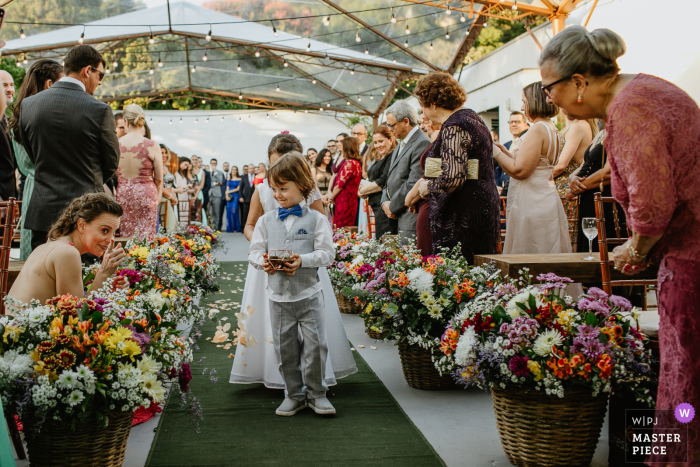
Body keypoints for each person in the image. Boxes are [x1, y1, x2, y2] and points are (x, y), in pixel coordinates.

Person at [540, 27, 700, 466]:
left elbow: (652, 202)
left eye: (549, 87)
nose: (548, 97)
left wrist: (635, 248)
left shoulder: (629, 109)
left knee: (684, 377)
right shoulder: (648, 88)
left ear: (578, 82)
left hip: (691, 258)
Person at [230, 132, 356, 392]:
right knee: (273, 324)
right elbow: (250, 225)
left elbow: (322, 231)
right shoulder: (263, 190)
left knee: (311, 329)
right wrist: (263, 246)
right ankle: (270, 371)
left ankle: (313, 383)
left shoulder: (308, 192)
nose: (279, 175)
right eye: (274, 165)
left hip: (303, 267)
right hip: (267, 266)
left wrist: (302, 256)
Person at [248, 152, 336, 416]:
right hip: (278, 298)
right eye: (274, 189)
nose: (277, 194)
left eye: (283, 188)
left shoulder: (317, 219)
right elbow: (253, 251)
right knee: (284, 347)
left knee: (316, 346)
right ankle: (294, 394)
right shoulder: (265, 221)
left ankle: (317, 394)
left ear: (302, 185)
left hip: (309, 294)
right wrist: (261, 261)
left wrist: (304, 260)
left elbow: (328, 253)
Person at [19, 44, 119, 251]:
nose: (100, 82)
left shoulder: (28, 106)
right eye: (100, 74)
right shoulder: (99, 110)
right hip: (85, 216)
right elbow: (111, 163)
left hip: (43, 211)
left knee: (44, 278)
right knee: (83, 280)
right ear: (87, 70)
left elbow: (33, 155)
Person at [406, 72, 500, 262]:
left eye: (422, 107)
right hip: (481, 206)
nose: (423, 113)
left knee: (458, 275)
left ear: (432, 102)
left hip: (462, 215)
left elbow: (454, 176)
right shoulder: (473, 118)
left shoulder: (454, 126)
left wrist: (427, 187)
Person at [7, 193, 128, 309]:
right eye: (105, 230)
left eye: (114, 232)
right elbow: (77, 317)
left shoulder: (51, 245)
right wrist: (104, 274)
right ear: (81, 225)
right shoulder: (67, 253)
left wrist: (105, 287)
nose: (110, 240)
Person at [494, 81, 571, 255]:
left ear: (535, 101)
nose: (522, 107)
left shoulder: (537, 129)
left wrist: (494, 153)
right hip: (546, 198)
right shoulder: (552, 128)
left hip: (532, 202)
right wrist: (506, 153)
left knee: (532, 252)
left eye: (524, 102)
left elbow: (520, 171)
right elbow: (535, 163)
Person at [9, 59, 64, 261]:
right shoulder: (48, 116)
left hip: (30, 190)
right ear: (50, 84)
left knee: (33, 255)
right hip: (50, 189)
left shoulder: (19, 113)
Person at [382, 100, 431, 245]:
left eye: (392, 125)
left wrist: (392, 206)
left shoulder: (422, 142)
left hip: (409, 214)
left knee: (408, 261)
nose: (389, 129)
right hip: (395, 211)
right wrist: (384, 201)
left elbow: (412, 182)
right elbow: (389, 177)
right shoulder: (400, 144)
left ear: (405, 121)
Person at [116, 104, 162, 239]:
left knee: (127, 235)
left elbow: (112, 172)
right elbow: (159, 179)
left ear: (126, 121)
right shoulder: (152, 145)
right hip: (146, 194)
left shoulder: (116, 144)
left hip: (124, 195)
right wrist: (157, 197)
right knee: (147, 236)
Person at [555, 118, 597, 247]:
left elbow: (561, 165)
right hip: (570, 185)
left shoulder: (578, 126)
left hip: (566, 188)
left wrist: (537, 180)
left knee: (567, 238)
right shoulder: (581, 125)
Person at [359, 125, 398, 241]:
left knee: (385, 242)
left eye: (381, 141)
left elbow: (383, 180)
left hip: (385, 206)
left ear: (390, 140)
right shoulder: (382, 157)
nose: (377, 145)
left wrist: (363, 190)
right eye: (375, 142)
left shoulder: (392, 156)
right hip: (377, 207)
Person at [324, 137, 362, 228]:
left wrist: (331, 198)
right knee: (349, 226)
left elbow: (339, 185)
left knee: (341, 226)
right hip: (352, 200)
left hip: (343, 200)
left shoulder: (349, 163)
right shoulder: (356, 163)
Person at [496, 112, 530, 196]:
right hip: (503, 194)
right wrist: (497, 186)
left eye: (517, 122)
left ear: (526, 125)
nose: (513, 125)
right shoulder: (506, 145)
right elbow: (498, 169)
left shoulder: (528, 143)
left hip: (519, 191)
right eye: (511, 122)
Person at [0, 70, 17, 200]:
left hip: (10, 195)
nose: (10, 89)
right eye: (4, 85)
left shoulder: (7, 119)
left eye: (11, 85)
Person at [159, 144, 179, 232]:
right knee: (169, 225)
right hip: (163, 198)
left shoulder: (166, 168)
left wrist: (174, 197)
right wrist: (170, 196)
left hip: (170, 198)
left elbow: (170, 185)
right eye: (161, 153)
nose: (164, 155)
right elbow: (159, 186)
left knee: (174, 223)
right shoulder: (157, 167)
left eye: (165, 153)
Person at [208, 158, 225, 231]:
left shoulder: (220, 173)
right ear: (210, 164)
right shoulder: (207, 172)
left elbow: (220, 182)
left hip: (217, 194)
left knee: (216, 212)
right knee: (208, 212)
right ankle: (208, 228)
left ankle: (216, 228)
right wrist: (215, 183)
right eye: (212, 163)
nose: (213, 165)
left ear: (216, 164)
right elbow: (207, 183)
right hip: (209, 194)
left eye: (215, 163)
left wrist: (215, 173)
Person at [175, 156, 193, 225]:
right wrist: (185, 187)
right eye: (185, 165)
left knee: (185, 214)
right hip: (179, 195)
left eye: (187, 166)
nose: (186, 167)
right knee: (180, 213)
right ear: (180, 162)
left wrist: (188, 187)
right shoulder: (176, 173)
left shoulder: (183, 174)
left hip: (184, 195)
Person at [225, 166, 241, 233]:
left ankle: (236, 228)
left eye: (235, 170)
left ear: (237, 171)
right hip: (229, 197)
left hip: (235, 196)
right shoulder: (228, 179)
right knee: (229, 211)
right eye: (233, 170)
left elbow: (238, 189)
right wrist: (226, 195)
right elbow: (227, 189)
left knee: (234, 211)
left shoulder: (239, 179)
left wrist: (229, 192)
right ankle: (230, 228)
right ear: (231, 171)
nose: (234, 171)